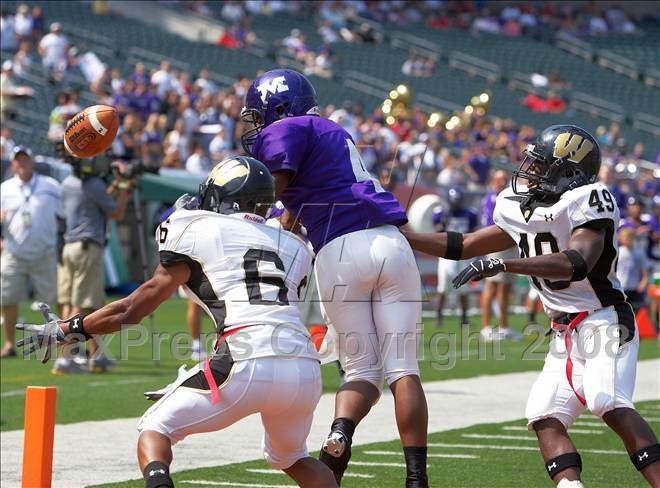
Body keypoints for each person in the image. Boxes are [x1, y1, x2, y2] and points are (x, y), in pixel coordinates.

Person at [17, 157, 337, 488]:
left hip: (245, 357)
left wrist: (69, 329)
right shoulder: (295, 247)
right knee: (292, 458)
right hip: (303, 367)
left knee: (156, 429)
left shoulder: (197, 227)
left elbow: (131, 309)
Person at [402, 125, 660, 487]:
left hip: (603, 318)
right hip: (564, 331)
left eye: (542, 165)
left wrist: (504, 264)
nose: (531, 171)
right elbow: (463, 245)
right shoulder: (522, 206)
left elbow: (575, 262)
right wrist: (403, 236)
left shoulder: (588, 199)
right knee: (544, 415)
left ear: (569, 172)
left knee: (608, 402)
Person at [241, 69, 428, 487]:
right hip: (391, 242)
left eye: (258, 114)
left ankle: (340, 433)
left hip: (340, 249)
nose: (256, 125)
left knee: (361, 371)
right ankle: (416, 479)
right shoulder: (333, 132)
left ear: (277, 108)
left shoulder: (285, 129)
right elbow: (292, 213)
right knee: (403, 371)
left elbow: (271, 195)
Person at [55, 158, 133, 374]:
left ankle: (97, 355)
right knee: (81, 305)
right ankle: (65, 358)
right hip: (87, 248)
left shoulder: (68, 182)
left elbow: (95, 197)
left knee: (87, 304)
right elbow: (116, 213)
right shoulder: (94, 184)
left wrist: (115, 186)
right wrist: (124, 188)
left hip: (70, 247)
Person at [0, 146, 62, 358]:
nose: (22, 163)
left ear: (32, 161)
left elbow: (63, 215)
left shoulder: (50, 185)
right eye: (18, 160)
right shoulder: (5, 189)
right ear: (13, 164)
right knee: (7, 298)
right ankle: (9, 345)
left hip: (45, 251)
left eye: (25, 159)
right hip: (13, 252)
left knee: (57, 299)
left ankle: (66, 343)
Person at [479, 169, 522, 341]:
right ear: (493, 181)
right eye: (499, 179)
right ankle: (486, 327)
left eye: (504, 179)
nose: (502, 182)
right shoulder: (494, 198)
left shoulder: (503, 197)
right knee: (492, 286)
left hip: (506, 243)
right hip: (497, 243)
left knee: (505, 287)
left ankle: (504, 326)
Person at [432, 187, 477, 328]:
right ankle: (438, 315)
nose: (455, 204)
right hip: (447, 253)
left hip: (463, 253)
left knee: (464, 286)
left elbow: (472, 232)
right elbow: (437, 232)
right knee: (443, 286)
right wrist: (441, 225)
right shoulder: (441, 213)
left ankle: (464, 317)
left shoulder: (470, 214)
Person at [616, 227, 648, 313]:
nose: (627, 239)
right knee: (621, 312)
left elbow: (644, 271)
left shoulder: (639, 252)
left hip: (634, 287)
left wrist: (643, 282)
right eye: (625, 237)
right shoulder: (618, 252)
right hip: (620, 287)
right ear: (620, 238)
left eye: (630, 236)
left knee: (635, 311)